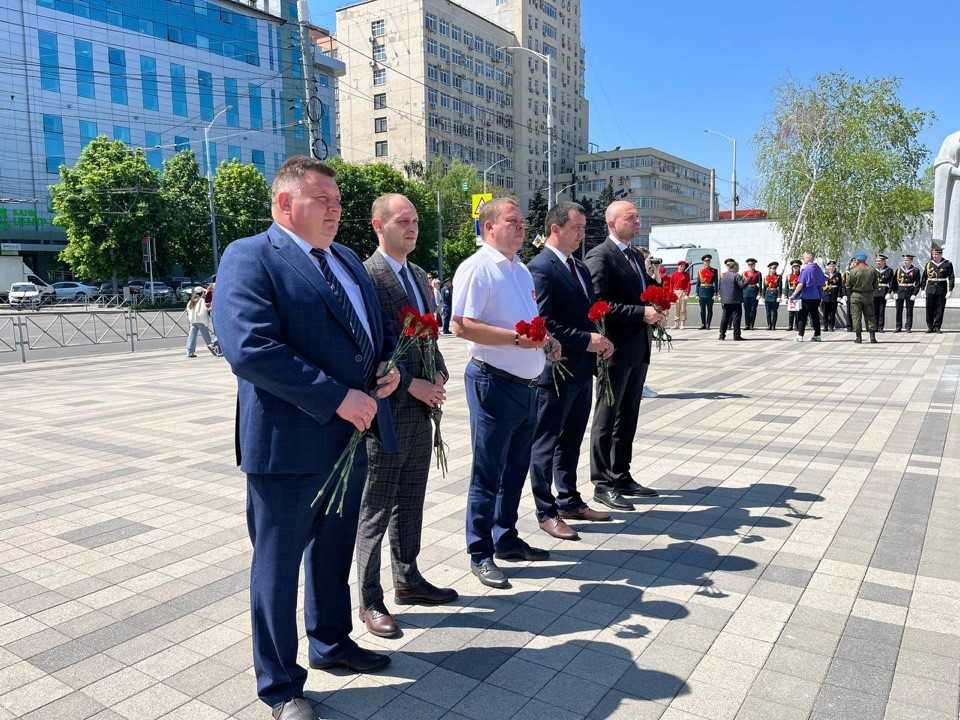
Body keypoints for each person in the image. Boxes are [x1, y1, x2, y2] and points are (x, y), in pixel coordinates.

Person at [215, 157, 401, 720]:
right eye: (323, 200)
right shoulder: (250, 256)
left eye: (339, 201)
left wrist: (385, 368)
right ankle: (279, 686)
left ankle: (331, 642)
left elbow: (370, 330)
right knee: (277, 568)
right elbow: (250, 347)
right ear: (284, 204)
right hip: (288, 446)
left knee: (334, 550)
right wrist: (336, 396)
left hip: (349, 439)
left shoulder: (345, 259)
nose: (335, 210)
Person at [354, 194, 458, 639]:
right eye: (402, 221)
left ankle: (408, 577)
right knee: (376, 508)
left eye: (415, 220)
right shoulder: (366, 277)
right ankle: (369, 598)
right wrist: (412, 383)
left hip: (420, 411)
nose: (412, 227)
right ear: (379, 226)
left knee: (411, 499)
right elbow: (369, 347)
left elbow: (429, 336)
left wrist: (439, 373)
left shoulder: (417, 275)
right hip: (386, 413)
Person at [451, 197, 560, 589]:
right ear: (489, 227)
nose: (521, 227)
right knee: (488, 471)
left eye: (522, 222)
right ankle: (480, 551)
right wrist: (517, 340)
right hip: (493, 382)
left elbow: (529, 321)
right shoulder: (477, 267)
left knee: (515, 467)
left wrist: (546, 340)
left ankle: (506, 538)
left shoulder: (520, 270)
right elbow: (461, 325)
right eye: (512, 221)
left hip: (526, 385)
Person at [528, 202, 614, 542]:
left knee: (572, 439)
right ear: (555, 229)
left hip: (580, 369)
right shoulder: (541, 267)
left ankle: (569, 500)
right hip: (555, 370)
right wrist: (586, 339)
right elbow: (543, 322)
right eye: (576, 228)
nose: (582, 234)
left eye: (583, 228)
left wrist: (599, 339)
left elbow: (585, 313)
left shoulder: (577, 266)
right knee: (546, 442)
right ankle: (545, 510)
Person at [584, 200, 661, 512]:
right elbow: (597, 305)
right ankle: (602, 482)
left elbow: (640, 294)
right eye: (631, 218)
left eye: (638, 217)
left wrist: (657, 298)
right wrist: (641, 312)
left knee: (628, 415)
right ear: (612, 222)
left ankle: (621, 474)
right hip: (613, 351)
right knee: (607, 417)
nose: (638, 222)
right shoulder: (600, 256)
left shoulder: (635, 256)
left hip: (638, 348)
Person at [790, 251, 826, 342]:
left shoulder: (806, 270)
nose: (803, 259)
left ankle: (800, 335)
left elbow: (801, 284)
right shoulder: (818, 269)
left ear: (809, 258)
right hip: (816, 296)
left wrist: (794, 294)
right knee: (815, 316)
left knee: (802, 316)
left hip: (806, 297)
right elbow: (823, 282)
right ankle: (817, 335)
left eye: (804, 257)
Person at [920, 243, 955, 333]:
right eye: (933, 254)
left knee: (940, 308)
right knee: (929, 308)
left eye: (936, 254)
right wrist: (922, 289)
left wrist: (950, 290)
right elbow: (924, 277)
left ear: (940, 254)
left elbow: (951, 277)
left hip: (941, 289)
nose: (934, 256)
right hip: (930, 289)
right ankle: (930, 326)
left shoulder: (947, 264)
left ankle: (937, 327)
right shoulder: (929, 264)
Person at [847, 250, 879, 344]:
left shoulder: (853, 271)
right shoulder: (872, 270)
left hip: (856, 296)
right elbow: (875, 285)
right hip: (868, 296)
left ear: (857, 260)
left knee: (856, 317)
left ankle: (858, 337)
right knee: (870, 316)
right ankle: (872, 337)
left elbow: (848, 285)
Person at [718, 258, 745, 341]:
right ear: (735, 267)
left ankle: (722, 335)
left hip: (725, 301)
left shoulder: (723, 276)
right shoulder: (737, 275)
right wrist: (748, 280)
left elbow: (720, 287)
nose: (738, 268)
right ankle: (736, 335)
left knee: (725, 318)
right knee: (736, 318)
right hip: (735, 300)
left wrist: (722, 298)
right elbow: (742, 285)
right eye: (738, 267)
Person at [894, 254, 921, 333]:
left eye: (907, 260)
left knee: (909, 310)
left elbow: (917, 283)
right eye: (904, 260)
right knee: (899, 310)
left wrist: (914, 294)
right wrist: (895, 292)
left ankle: (908, 327)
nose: (905, 261)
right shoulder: (899, 269)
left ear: (911, 261)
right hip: (900, 291)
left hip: (910, 291)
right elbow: (894, 282)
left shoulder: (915, 270)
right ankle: (898, 327)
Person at [185, 286, 214, 357]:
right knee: (207, 337)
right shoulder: (202, 300)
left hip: (193, 321)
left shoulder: (191, 300)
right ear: (201, 293)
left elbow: (188, 310)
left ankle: (189, 352)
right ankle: (214, 350)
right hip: (201, 320)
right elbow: (206, 308)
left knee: (192, 336)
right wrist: (211, 308)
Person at [695, 254, 719, 329]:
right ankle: (703, 324)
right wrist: (697, 293)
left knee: (710, 309)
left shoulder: (714, 270)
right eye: (705, 261)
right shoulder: (700, 271)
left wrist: (716, 293)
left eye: (708, 261)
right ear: (703, 262)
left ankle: (708, 324)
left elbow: (716, 282)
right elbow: (698, 283)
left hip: (710, 291)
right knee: (702, 310)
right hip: (702, 291)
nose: (707, 262)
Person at [873, 254, 895, 332]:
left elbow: (891, 282)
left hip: (883, 292)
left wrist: (889, 292)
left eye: (879, 261)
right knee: (874, 310)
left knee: (881, 310)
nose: (878, 262)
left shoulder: (889, 270)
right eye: (877, 261)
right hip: (875, 292)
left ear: (884, 261)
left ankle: (880, 327)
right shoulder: (874, 270)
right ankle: (875, 326)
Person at [821, 261, 844, 331]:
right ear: (828, 267)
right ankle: (825, 326)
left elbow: (840, 286)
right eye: (830, 266)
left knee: (832, 312)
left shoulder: (838, 274)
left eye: (833, 266)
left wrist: (839, 296)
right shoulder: (824, 274)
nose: (832, 268)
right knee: (825, 312)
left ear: (835, 267)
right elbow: (821, 285)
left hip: (834, 296)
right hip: (825, 295)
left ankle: (831, 326)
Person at [741, 258, 763, 330]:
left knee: (753, 309)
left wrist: (759, 294)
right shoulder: (744, 273)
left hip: (754, 292)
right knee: (746, 309)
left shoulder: (758, 273)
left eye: (752, 264)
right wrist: (741, 294)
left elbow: (760, 284)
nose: (750, 266)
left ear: (754, 265)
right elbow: (742, 284)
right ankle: (747, 325)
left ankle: (751, 325)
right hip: (746, 292)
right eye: (749, 264)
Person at [668, 260, 691, 329]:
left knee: (683, 309)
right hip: (676, 292)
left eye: (683, 266)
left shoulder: (686, 274)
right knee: (676, 308)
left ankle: (682, 324)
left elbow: (688, 285)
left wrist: (687, 294)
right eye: (681, 265)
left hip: (683, 292)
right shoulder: (674, 274)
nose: (682, 267)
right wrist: (671, 294)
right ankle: (676, 324)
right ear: (678, 266)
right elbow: (671, 284)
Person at [763, 261, 782, 330]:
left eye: (775, 268)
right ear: (769, 269)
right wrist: (763, 297)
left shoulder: (778, 277)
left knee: (774, 311)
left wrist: (779, 296)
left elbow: (780, 287)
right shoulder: (766, 277)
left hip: (775, 294)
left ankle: (773, 325)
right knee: (768, 312)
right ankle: (769, 325)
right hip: (767, 294)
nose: (774, 270)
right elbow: (764, 288)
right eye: (772, 268)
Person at [784, 260, 801, 331]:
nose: (795, 268)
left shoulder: (801, 276)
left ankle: (796, 326)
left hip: (799, 295)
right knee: (791, 311)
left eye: (797, 267)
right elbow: (786, 287)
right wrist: (785, 296)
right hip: (791, 294)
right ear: (792, 268)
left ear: (799, 267)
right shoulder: (788, 276)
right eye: (794, 267)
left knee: (798, 312)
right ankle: (790, 326)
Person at [842, 259, 856, 332]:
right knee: (849, 310)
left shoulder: (859, 271)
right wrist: (844, 294)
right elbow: (843, 284)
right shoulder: (846, 273)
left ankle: (856, 326)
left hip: (857, 292)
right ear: (850, 264)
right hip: (848, 292)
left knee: (857, 310)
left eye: (855, 263)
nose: (854, 264)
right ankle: (849, 326)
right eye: (853, 263)